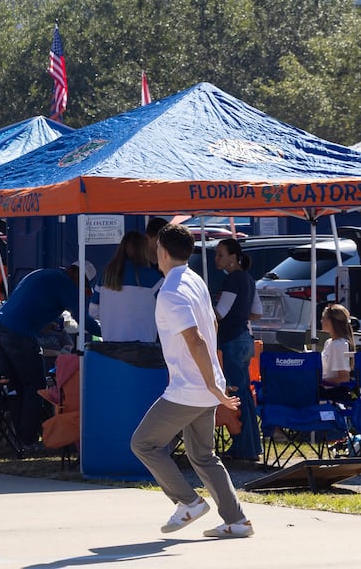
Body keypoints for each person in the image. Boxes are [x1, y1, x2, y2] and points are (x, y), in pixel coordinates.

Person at [131, 222, 253, 539]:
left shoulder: (170, 291)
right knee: (202, 456)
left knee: (143, 443)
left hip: (190, 388)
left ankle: (188, 501)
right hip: (205, 386)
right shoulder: (195, 279)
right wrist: (214, 383)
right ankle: (237, 520)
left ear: (161, 250)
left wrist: (211, 384)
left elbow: (195, 338)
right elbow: (210, 320)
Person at [0, 262, 99, 449]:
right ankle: (30, 439)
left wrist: (42, 322)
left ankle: (20, 438)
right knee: (36, 386)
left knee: (14, 386)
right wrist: (110, 332)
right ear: (78, 277)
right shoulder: (65, 283)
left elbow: (24, 303)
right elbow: (84, 319)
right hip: (20, 333)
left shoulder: (42, 273)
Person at [213, 237, 261, 462]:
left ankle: (243, 448)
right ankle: (252, 445)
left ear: (234, 257)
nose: (217, 259)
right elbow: (257, 311)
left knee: (236, 395)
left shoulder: (233, 280)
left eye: (221, 254)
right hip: (244, 338)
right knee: (244, 394)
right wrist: (240, 315)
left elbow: (220, 312)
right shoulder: (249, 279)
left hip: (232, 339)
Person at [89, 230, 162, 342]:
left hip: (111, 348)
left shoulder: (106, 277)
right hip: (143, 351)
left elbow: (93, 311)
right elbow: (167, 311)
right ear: (144, 250)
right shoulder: (155, 279)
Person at [320, 302, 355, 390]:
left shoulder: (339, 345)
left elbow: (343, 378)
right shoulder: (329, 342)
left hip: (330, 391)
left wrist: (319, 382)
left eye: (323, 318)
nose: (321, 321)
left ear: (332, 321)